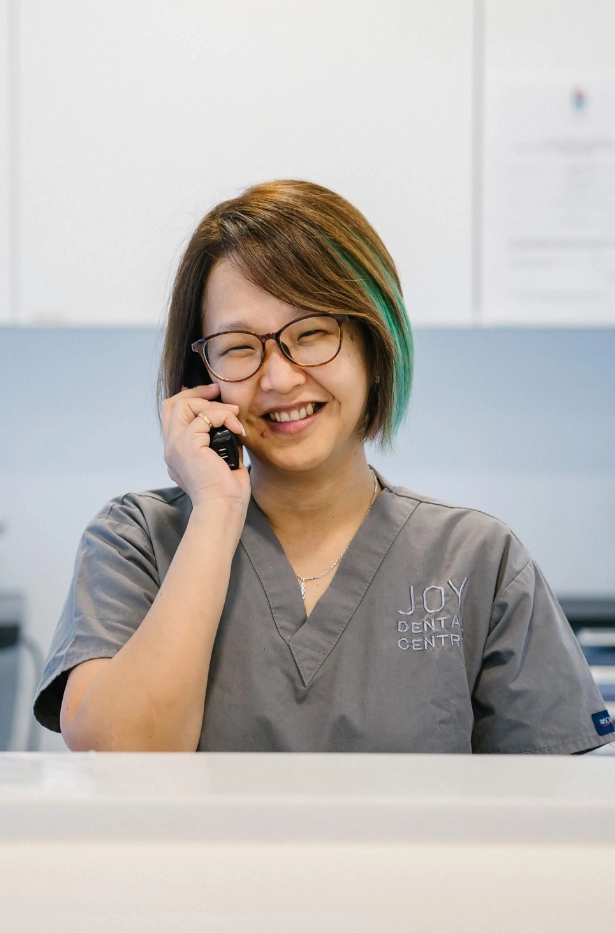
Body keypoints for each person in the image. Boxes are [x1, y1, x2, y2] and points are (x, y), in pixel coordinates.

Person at [33, 180, 615, 753]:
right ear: (201, 377)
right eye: (238, 346)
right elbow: (120, 763)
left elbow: (549, 817)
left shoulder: (478, 560)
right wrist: (216, 509)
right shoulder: (136, 541)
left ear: (375, 343)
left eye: (311, 334)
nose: (280, 378)